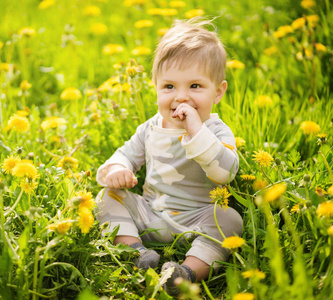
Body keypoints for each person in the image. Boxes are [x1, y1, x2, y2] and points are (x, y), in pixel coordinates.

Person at [95, 17, 243, 296]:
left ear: (218, 92)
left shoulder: (215, 131)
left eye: (195, 87)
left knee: (231, 220)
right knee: (106, 198)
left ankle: (185, 273)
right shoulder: (150, 128)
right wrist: (118, 168)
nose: (181, 98)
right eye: (169, 87)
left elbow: (224, 172)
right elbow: (125, 154)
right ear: (156, 87)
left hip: (197, 220)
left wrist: (196, 130)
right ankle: (136, 253)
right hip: (151, 214)